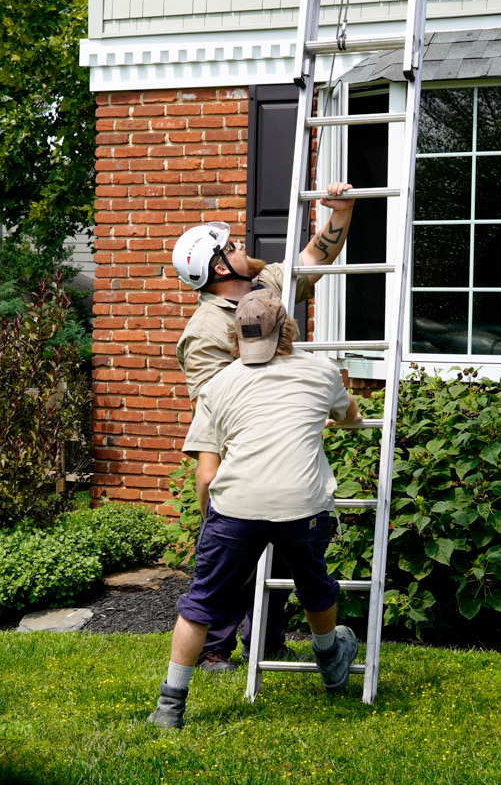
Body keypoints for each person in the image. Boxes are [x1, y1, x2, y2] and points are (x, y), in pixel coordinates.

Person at [148, 290, 364, 729]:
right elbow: (351, 418)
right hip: (302, 504)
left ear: (237, 335)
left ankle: (170, 706)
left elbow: (206, 477)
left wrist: (213, 521)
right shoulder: (321, 371)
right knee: (315, 585)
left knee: (201, 602)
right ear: (287, 328)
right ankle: (330, 663)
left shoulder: (217, 385)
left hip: (237, 510)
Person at [171, 182, 357, 671]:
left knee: (279, 549)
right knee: (232, 559)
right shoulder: (205, 332)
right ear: (217, 267)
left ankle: (267, 640)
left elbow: (316, 254)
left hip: (278, 444)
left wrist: (341, 209)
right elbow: (214, 407)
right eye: (232, 248)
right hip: (238, 451)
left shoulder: (265, 290)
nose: (243, 249)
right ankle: (215, 648)